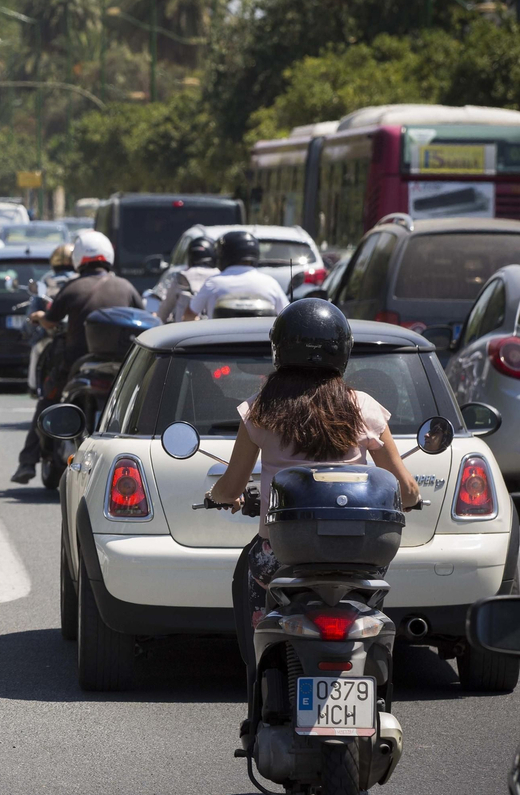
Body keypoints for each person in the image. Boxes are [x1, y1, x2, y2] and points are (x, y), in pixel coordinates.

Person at [205, 299, 419, 735]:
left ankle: (257, 694)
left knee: (252, 584)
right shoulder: (364, 408)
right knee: (371, 609)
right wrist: (411, 499)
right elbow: (406, 487)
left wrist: (217, 497)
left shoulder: (261, 410)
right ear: (343, 350)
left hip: (282, 559)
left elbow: (231, 486)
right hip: (360, 560)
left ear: (278, 350)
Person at [12, 230, 144, 484]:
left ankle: (27, 462)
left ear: (79, 259)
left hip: (76, 364)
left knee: (47, 401)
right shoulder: (125, 286)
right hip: (121, 366)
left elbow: (50, 322)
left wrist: (39, 317)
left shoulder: (73, 287)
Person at [184, 230, 288, 320]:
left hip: (219, 342)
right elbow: (287, 316)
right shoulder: (270, 283)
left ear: (223, 254)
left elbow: (189, 315)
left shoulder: (213, 283)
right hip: (262, 342)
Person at [156, 235, 218, 323]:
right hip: (215, 332)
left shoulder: (181, 276)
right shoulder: (219, 276)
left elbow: (164, 310)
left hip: (185, 332)